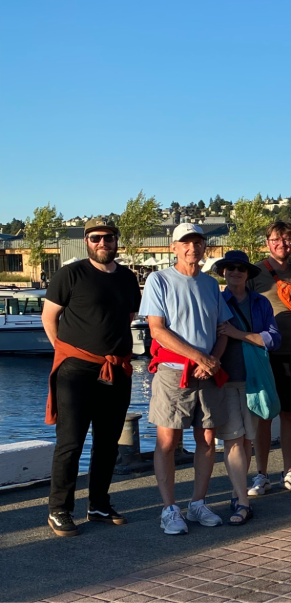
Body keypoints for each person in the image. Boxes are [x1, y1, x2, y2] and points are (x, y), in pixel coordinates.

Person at [41, 217, 142, 537]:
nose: (103, 243)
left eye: (109, 238)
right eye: (96, 238)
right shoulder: (70, 274)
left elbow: (129, 317)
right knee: (70, 443)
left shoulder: (127, 277)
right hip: (76, 371)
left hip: (116, 370)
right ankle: (59, 509)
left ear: (116, 241)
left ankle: (98, 504)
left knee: (107, 442)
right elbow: (49, 317)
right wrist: (67, 352)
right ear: (87, 241)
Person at [141, 223, 233, 535]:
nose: (192, 248)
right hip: (173, 372)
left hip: (207, 372)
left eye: (197, 242)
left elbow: (223, 331)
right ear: (174, 247)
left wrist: (212, 360)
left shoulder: (210, 285)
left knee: (207, 438)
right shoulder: (159, 280)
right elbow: (157, 329)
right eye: (185, 243)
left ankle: (197, 503)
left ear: (204, 247)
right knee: (168, 440)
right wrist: (199, 357)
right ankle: (169, 509)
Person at [212, 250, 281, 525]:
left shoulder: (261, 303)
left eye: (240, 269)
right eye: (230, 268)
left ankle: (237, 491)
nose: (235, 272)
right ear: (224, 272)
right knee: (232, 439)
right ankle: (242, 499)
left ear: (248, 274)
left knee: (247, 439)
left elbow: (274, 339)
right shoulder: (217, 301)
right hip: (226, 379)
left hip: (254, 378)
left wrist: (238, 334)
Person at [247, 221, 291, 496]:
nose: (282, 244)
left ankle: (289, 471)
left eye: (287, 240)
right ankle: (261, 474)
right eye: (277, 240)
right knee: (262, 414)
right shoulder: (256, 272)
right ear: (267, 242)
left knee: (289, 414)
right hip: (265, 352)